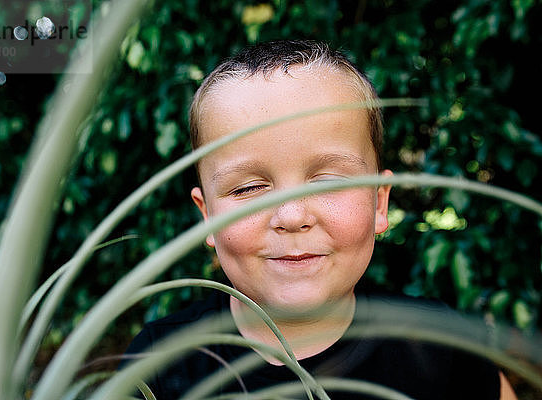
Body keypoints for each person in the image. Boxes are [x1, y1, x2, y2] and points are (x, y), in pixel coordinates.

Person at [123, 40, 517, 399]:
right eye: (246, 189)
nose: (292, 216)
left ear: (379, 203)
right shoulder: (156, 365)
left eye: (328, 181)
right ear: (206, 216)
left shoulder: (439, 344)